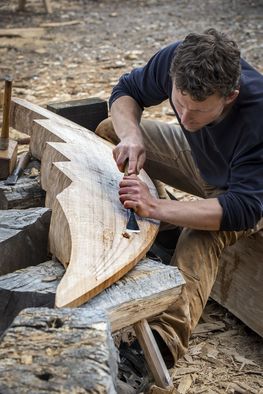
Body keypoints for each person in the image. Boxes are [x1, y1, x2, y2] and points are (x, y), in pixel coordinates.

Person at [95, 28, 263, 366]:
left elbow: (242, 209)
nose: (185, 119)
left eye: (199, 111)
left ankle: (156, 350)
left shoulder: (258, 115)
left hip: (249, 196)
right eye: (180, 104)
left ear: (229, 96)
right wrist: (132, 136)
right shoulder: (178, 60)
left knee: (199, 236)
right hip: (206, 160)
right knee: (111, 131)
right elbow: (127, 91)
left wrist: (156, 206)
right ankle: (162, 235)